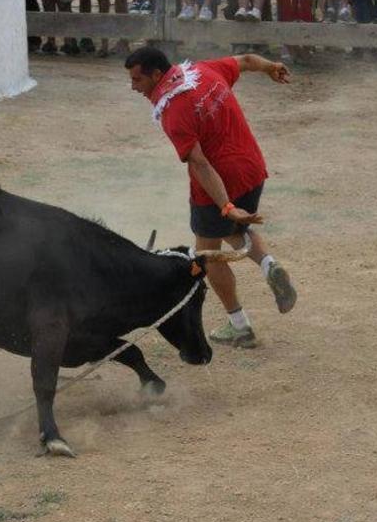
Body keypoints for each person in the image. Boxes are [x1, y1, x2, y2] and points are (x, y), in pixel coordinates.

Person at [123, 46, 298, 348]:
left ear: (155, 75)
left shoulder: (173, 111)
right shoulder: (202, 71)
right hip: (251, 166)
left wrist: (226, 205)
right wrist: (270, 66)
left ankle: (240, 327)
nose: (133, 87)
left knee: (208, 254)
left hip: (219, 181)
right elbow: (245, 60)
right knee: (234, 229)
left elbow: (200, 163)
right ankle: (269, 265)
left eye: (138, 80)